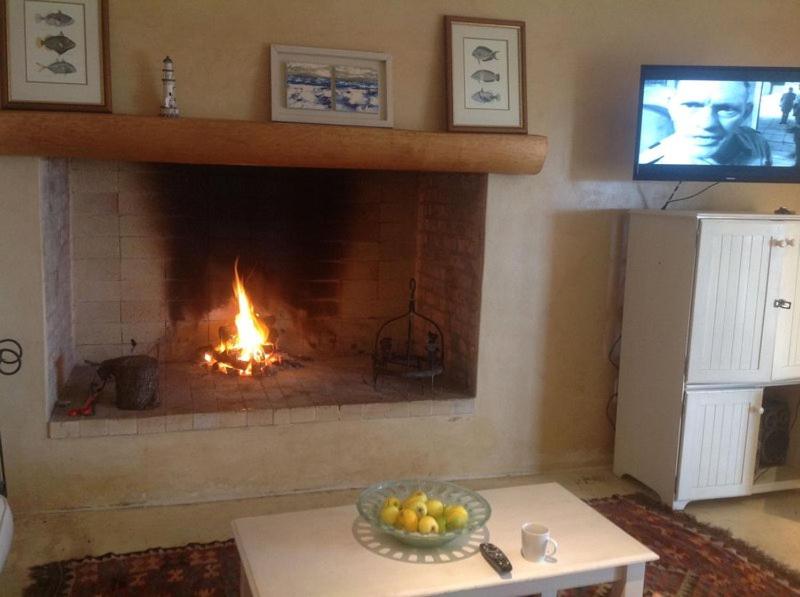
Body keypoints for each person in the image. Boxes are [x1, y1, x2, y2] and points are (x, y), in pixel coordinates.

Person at [640, 80, 772, 166]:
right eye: (691, 105)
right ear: (671, 107)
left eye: (726, 109)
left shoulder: (757, 142)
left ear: (746, 113)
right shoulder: (649, 165)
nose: (707, 123)